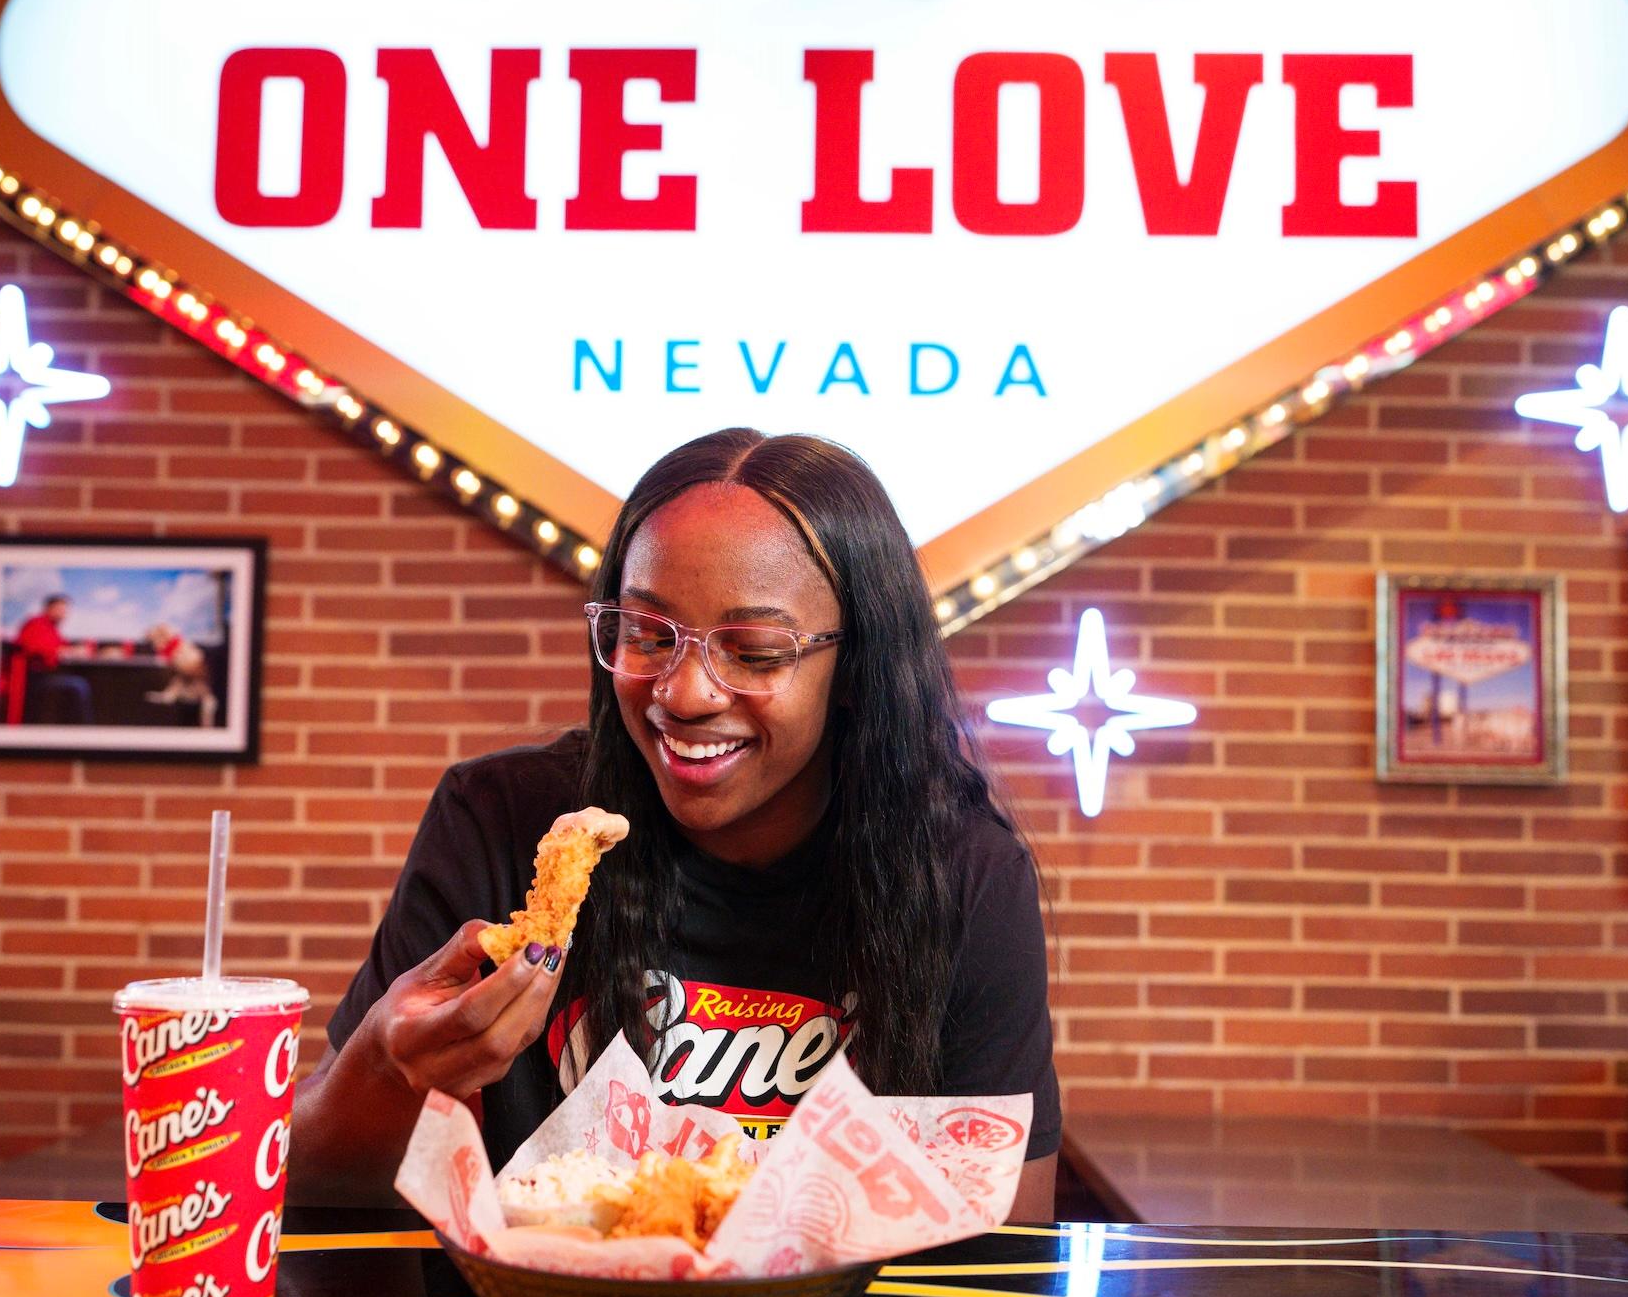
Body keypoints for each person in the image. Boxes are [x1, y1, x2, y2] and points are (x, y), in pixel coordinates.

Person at [292, 429, 1061, 1221]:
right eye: (648, 636)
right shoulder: (499, 825)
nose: (685, 693)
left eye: (756, 651)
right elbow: (309, 1196)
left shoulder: (962, 878)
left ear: (858, 666)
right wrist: (390, 1070)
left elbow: (1004, 1255)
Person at [7, 594, 94, 724]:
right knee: (79, 686)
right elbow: (34, 648)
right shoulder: (36, 623)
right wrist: (66, 651)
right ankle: (84, 730)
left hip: (46, 676)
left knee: (80, 682)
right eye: (61, 610)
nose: (64, 614)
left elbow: (60, 646)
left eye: (65, 611)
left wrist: (73, 650)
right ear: (48, 608)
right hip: (33, 680)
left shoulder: (52, 628)